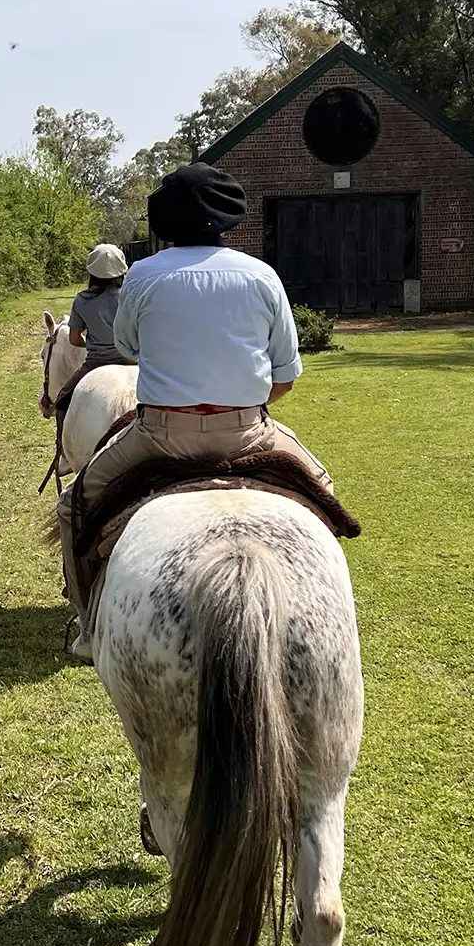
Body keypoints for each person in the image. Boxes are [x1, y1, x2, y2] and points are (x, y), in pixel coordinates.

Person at [57, 163, 333, 662]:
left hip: (160, 435)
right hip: (249, 433)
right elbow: (286, 378)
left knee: (72, 505)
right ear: (228, 218)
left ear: (165, 221)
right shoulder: (263, 275)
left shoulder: (142, 275)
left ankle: (88, 630)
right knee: (324, 494)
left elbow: (128, 347)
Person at [49, 244, 135, 434]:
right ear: (122, 268)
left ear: (92, 272)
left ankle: (62, 450)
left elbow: (74, 339)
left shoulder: (82, 300)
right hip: (133, 360)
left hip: (97, 362)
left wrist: (94, 343)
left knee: (63, 399)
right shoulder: (131, 295)